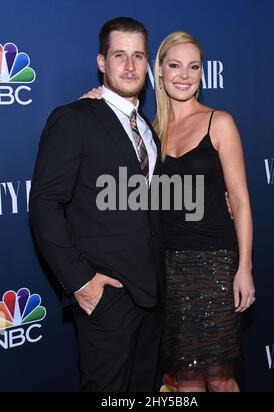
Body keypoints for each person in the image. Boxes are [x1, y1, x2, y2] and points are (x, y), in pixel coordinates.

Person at [81, 31, 255, 392]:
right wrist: (95, 102)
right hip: (166, 271)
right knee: (187, 376)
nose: (184, 74)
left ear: (202, 73)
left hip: (216, 266)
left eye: (193, 66)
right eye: (174, 65)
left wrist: (244, 269)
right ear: (158, 71)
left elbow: (239, 201)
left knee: (221, 378)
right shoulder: (149, 130)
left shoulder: (219, 122)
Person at [29, 17, 165, 392]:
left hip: (152, 296)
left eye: (138, 56)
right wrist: (81, 283)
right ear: (102, 62)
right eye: (119, 55)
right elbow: (44, 205)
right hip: (107, 300)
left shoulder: (148, 131)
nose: (130, 65)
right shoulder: (74, 119)